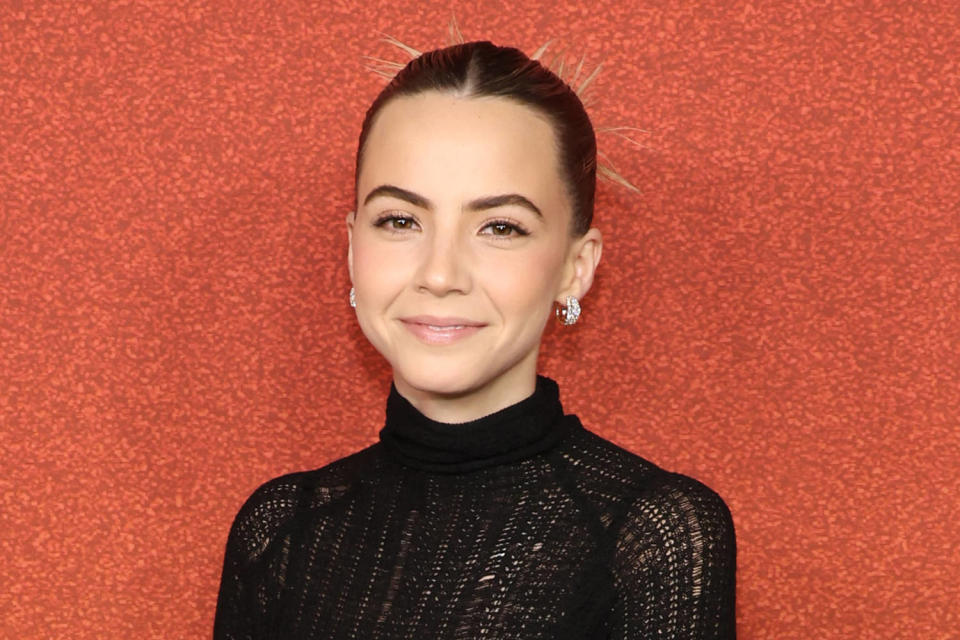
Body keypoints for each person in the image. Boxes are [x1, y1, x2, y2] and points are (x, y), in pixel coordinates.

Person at [213, 38, 736, 639]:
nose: (440, 275)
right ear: (353, 247)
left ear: (576, 266)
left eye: (500, 227)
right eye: (401, 220)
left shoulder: (648, 534)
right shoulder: (283, 527)